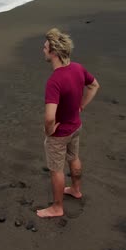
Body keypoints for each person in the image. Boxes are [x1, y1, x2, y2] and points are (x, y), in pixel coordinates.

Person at [37, 28, 100, 218]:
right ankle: (76, 189)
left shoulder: (54, 81)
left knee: (56, 169)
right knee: (74, 157)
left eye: (46, 47)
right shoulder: (78, 68)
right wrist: (81, 107)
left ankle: (57, 207)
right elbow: (94, 85)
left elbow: (49, 117)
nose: (43, 49)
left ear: (54, 52)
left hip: (60, 133)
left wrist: (49, 130)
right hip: (76, 126)